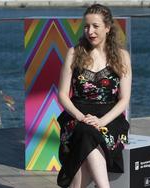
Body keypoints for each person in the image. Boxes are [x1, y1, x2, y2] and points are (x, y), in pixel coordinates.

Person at [57, 4, 132, 188]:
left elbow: (124, 100)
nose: (90, 31)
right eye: (86, 26)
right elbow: (62, 94)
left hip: (110, 119)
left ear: (107, 28)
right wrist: (81, 117)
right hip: (77, 116)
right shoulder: (74, 53)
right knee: (85, 130)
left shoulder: (122, 57)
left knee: (89, 134)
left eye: (95, 26)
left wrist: (101, 121)